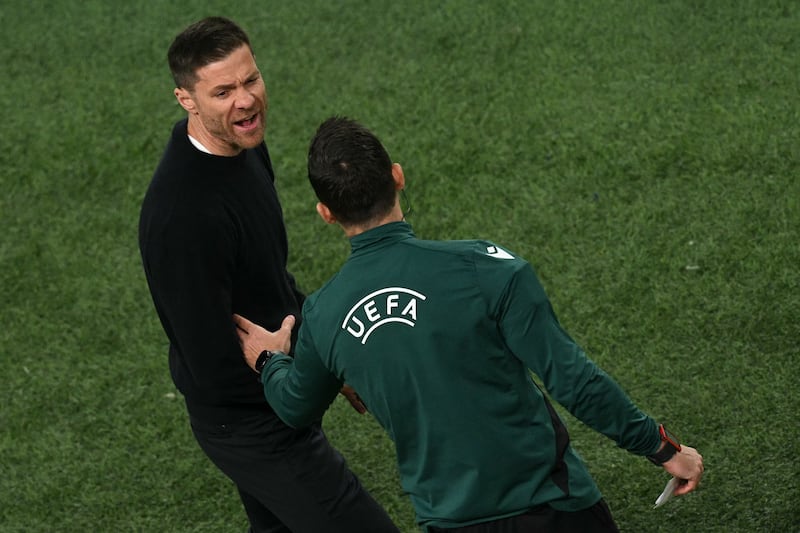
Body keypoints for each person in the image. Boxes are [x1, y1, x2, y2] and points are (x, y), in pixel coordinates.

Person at [232, 116, 705, 532]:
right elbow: (574, 381)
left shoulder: (323, 314)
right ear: (397, 177)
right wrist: (663, 448)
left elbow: (295, 407)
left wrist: (271, 359)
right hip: (553, 507)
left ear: (325, 213)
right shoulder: (487, 269)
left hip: (451, 521)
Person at [138, 18, 398, 533]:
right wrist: (295, 375)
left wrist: (316, 351)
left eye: (251, 80)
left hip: (273, 383)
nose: (246, 101)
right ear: (186, 99)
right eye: (223, 91)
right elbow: (210, 361)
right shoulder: (182, 217)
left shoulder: (245, 146)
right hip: (249, 420)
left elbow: (268, 278)